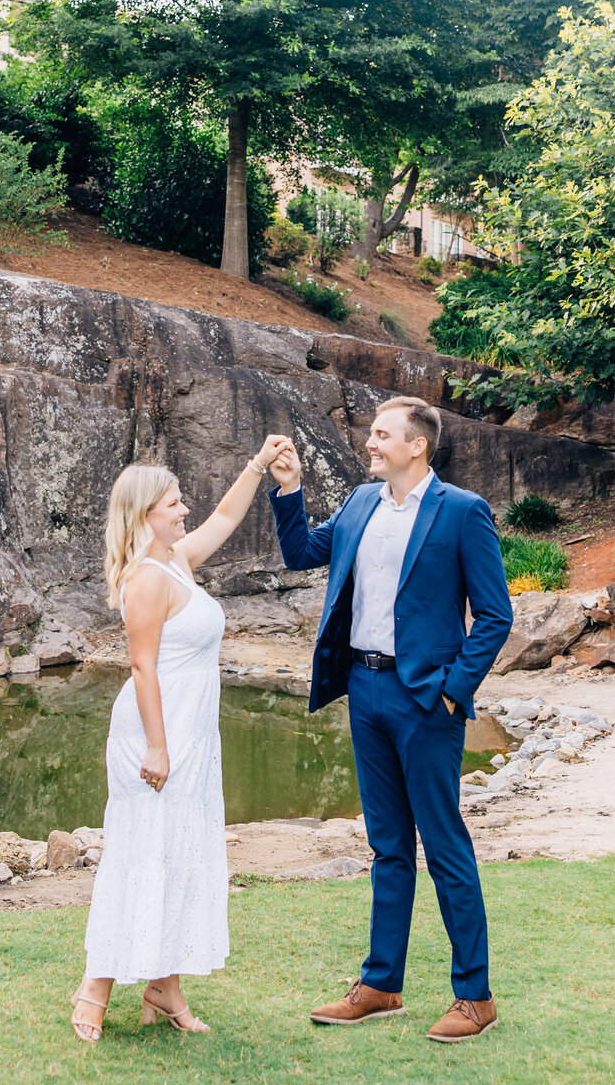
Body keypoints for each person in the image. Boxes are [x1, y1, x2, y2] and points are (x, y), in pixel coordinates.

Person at [267, 397, 512, 1042]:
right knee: (388, 847)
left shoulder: (462, 512)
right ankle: (381, 985)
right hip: (365, 692)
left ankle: (475, 997)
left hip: (427, 702)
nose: (369, 443)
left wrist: (454, 693)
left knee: (445, 845)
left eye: (381, 434)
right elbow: (301, 554)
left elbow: (495, 616)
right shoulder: (359, 503)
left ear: (417, 446)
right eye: (371, 433)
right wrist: (289, 489)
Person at [70, 437, 289, 1043]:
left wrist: (256, 467)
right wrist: (159, 747)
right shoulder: (145, 579)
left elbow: (224, 516)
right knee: (140, 854)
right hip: (155, 735)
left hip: (192, 732)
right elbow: (142, 668)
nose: (184, 509)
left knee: (175, 855)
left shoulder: (176, 561)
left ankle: (164, 988)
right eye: (173, 503)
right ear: (146, 514)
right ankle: (95, 986)